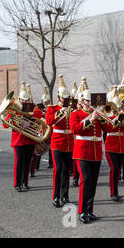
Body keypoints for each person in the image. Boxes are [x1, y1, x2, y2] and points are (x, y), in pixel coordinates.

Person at [69, 77, 104, 224]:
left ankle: (90, 210)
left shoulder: (97, 114)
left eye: (91, 101)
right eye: (87, 101)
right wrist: (91, 119)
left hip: (96, 153)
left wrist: (106, 117)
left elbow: (109, 128)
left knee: (93, 182)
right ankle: (82, 211)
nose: (90, 104)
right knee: (86, 180)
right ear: (82, 101)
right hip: (82, 152)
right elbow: (75, 129)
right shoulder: (75, 114)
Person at [3, 82, 44, 192]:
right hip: (18, 140)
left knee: (28, 161)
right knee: (19, 161)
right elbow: (4, 125)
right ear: (19, 99)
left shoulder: (32, 106)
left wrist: (30, 122)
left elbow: (39, 113)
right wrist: (9, 116)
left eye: (27, 100)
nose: (25, 102)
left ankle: (25, 183)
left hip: (30, 139)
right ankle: (17, 184)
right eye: (23, 100)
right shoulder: (12, 109)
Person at [45, 75, 74, 208]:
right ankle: (56, 196)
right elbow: (49, 122)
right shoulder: (52, 108)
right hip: (57, 142)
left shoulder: (71, 108)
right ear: (59, 97)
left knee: (67, 170)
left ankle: (65, 195)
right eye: (63, 97)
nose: (66, 100)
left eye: (67, 98)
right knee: (58, 169)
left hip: (69, 143)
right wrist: (60, 113)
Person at [103, 87, 124, 202]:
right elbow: (109, 129)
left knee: (118, 169)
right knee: (114, 168)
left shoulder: (121, 117)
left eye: (118, 107)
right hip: (111, 146)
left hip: (121, 146)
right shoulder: (108, 117)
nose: (118, 109)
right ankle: (113, 192)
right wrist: (118, 118)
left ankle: (116, 191)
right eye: (116, 107)